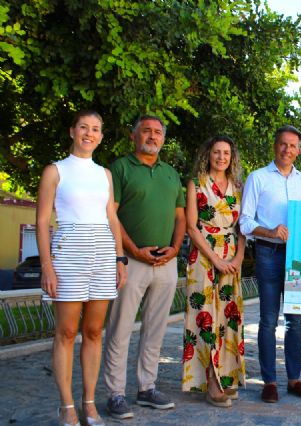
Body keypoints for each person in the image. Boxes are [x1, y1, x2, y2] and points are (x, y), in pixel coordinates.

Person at [36, 110, 127, 426]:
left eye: (96, 129)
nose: (90, 133)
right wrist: (47, 266)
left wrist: (119, 259)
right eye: (84, 127)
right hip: (68, 252)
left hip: (102, 251)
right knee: (66, 331)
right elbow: (42, 220)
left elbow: (112, 218)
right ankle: (67, 406)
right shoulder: (55, 171)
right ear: (72, 131)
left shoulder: (104, 174)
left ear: (101, 136)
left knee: (93, 331)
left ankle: (89, 403)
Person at [103, 115, 186, 419]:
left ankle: (146, 387)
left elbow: (180, 217)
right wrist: (132, 250)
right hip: (132, 262)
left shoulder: (171, 174)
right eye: (146, 131)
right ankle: (115, 393)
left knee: (155, 329)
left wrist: (176, 248)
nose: (152, 136)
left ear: (163, 139)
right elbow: (111, 216)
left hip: (166, 262)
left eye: (158, 132)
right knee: (120, 328)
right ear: (134, 135)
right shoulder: (120, 168)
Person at [239, 125, 301, 403]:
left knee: (295, 321)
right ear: (275, 146)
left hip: (298, 258)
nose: (287, 150)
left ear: (299, 150)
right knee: (268, 320)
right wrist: (270, 231)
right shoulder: (258, 178)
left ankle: (294, 379)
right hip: (268, 253)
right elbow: (245, 221)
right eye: (283, 144)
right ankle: (269, 381)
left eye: (293, 146)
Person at [181, 136, 246, 408]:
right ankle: (210, 382)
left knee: (227, 319)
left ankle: (226, 377)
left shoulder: (239, 188)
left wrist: (239, 257)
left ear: (232, 157)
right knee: (205, 318)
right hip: (204, 257)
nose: (221, 157)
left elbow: (244, 227)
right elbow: (192, 227)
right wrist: (215, 260)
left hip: (231, 256)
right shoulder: (195, 184)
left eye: (226, 153)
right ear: (208, 154)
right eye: (217, 152)